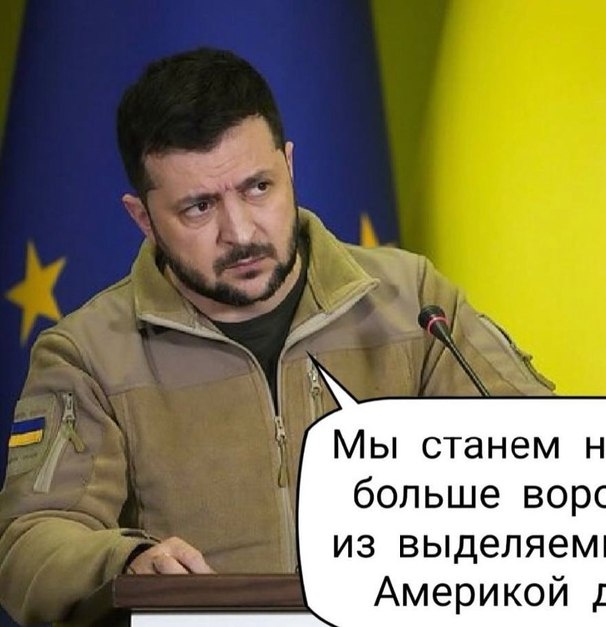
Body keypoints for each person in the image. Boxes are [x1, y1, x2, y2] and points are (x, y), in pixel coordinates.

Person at [0, 48, 553, 625]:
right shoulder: (88, 354)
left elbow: (547, 462)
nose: (240, 232)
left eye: (258, 187)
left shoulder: (413, 301)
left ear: (289, 166)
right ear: (144, 219)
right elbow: (30, 543)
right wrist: (127, 563)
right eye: (199, 208)